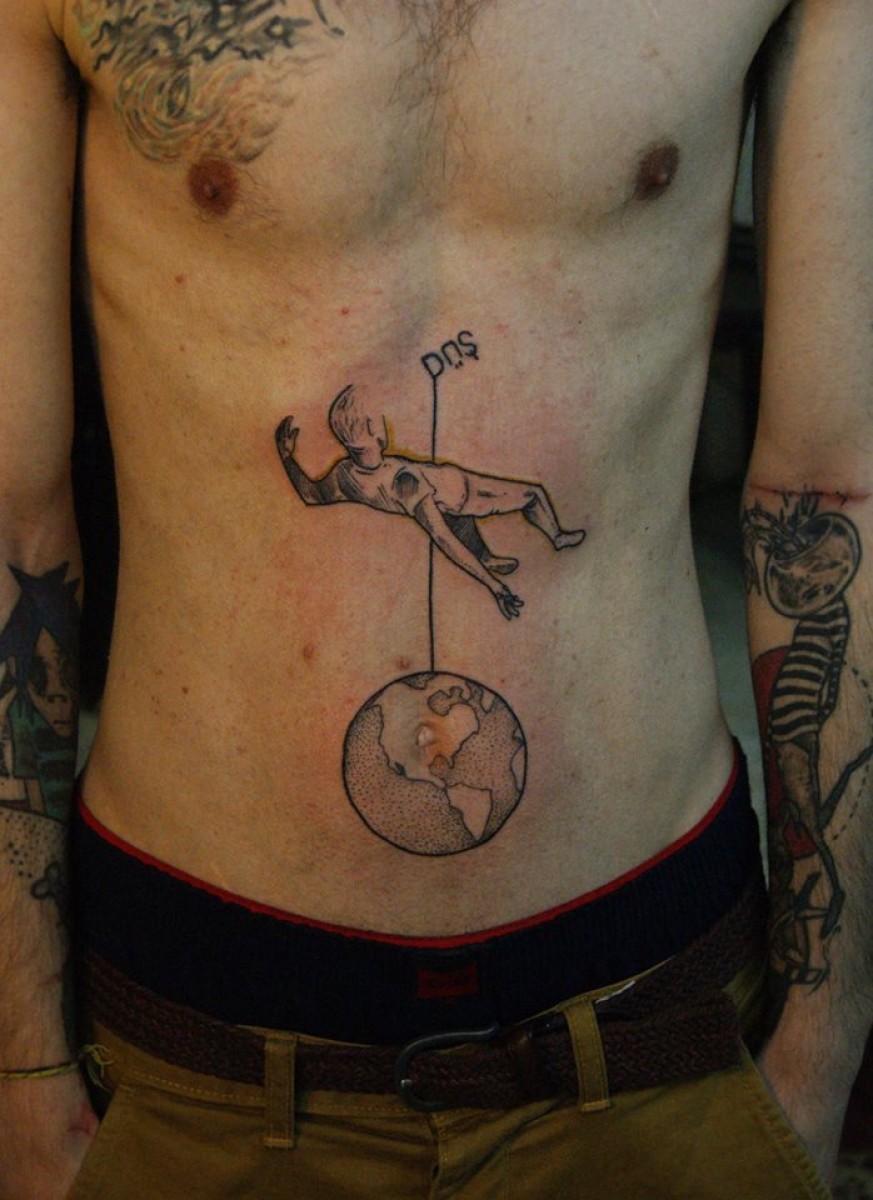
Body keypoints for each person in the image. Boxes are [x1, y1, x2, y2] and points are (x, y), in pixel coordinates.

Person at [0, 1, 870, 1197]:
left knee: (505, 514)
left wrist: (825, 1044)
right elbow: (16, 521)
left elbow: (833, 496)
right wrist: (23, 1064)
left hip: (660, 1012)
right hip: (193, 1022)